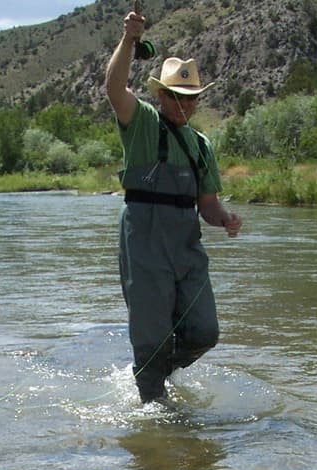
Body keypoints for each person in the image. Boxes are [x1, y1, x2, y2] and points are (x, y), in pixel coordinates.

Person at [106, 7, 242, 407]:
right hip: (144, 244)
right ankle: (155, 414)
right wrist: (129, 40)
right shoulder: (143, 123)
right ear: (161, 95)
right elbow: (114, 90)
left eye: (192, 98)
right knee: (150, 338)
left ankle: (158, 374)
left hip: (186, 249)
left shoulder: (202, 146)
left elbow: (209, 206)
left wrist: (226, 220)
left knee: (204, 332)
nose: (185, 104)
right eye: (177, 97)